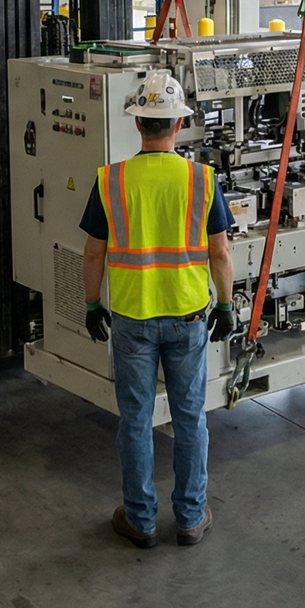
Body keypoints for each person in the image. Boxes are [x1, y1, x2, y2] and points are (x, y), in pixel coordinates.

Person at [80, 70, 235, 549]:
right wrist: (226, 306)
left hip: (132, 319)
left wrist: (90, 305)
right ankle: (190, 518)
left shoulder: (112, 180)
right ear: (179, 122)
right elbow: (221, 253)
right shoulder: (200, 179)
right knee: (190, 419)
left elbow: (92, 252)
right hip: (188, 318)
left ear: (138, 123)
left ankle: (141, 519)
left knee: (135, 420)